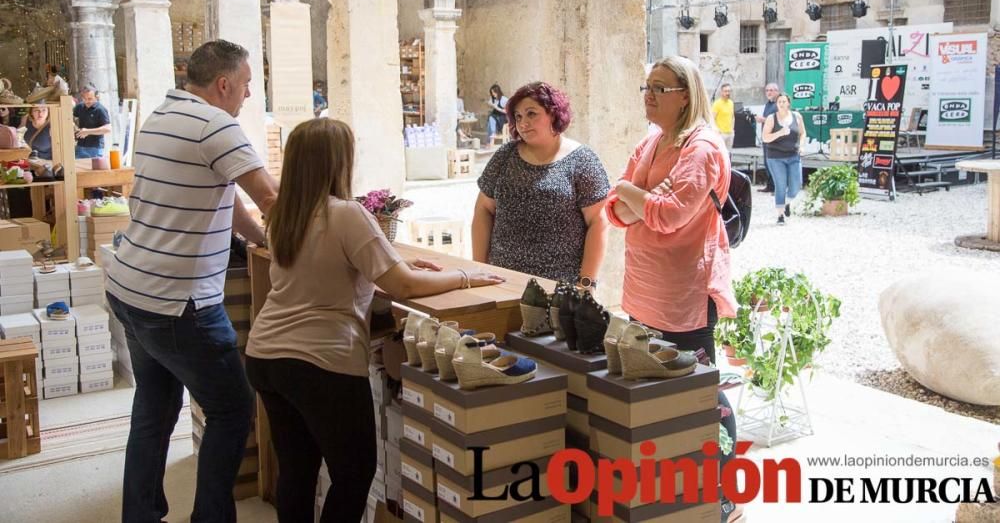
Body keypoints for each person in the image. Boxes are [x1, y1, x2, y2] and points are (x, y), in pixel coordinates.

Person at [246, 118, 503, 523]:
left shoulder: (283, 215)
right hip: (321, 361)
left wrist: (391, 260)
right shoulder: (346, 214)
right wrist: (465, 275)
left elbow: (325, 265)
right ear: (338, 162)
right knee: (354, 472)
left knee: (298, 469)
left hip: (266, 356)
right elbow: (402, 287)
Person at [105, 39, 279, 523]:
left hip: (130, 288)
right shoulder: (216, 126)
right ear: (223, 84)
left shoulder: (162, 115)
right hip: (178, 302)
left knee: (155, 407)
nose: (246, 95)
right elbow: (269, 195)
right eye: (245, 85)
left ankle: (139, 515)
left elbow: (232, 199)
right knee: (232, 407)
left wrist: (260, 238)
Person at [605, 56, 742, 523]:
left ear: (686, 94)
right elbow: (614, 211)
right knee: (661, 392)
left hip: (684, 294)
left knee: (704, 396)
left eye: (659, 88)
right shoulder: (652, 141)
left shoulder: (702, 148)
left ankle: (724, 493)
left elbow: (666, 215)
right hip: (645, 290)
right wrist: (635, 196)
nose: (648, 94)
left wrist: (630, 190)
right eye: (646, 86)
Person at [472, 81, 610, 287]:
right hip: (502, 280)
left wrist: (586, 284)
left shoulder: (582, 159)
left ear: (553, 114)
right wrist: (480, 268)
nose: (523, 123)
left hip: (560, 287)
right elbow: (483, 209)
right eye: (518, 116)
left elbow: (599, 222)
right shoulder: (505, 155)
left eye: (531, 114)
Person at [761, 93, 806, 225]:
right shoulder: (771, 118)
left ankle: (786, 203)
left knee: (796, 186)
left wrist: (802, 146)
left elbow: (803, 133)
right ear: (777, 104)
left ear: (788, 103)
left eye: (783, 101)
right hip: (775, 157)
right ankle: (780, 215)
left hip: (793, 155)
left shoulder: (797, 117)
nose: (781, 104)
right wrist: (780, 132)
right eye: (779, 101)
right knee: (780, 185)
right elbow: (765, 138)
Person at [73, 85, 112, 158]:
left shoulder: (100, 109)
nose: (87, 101)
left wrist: (88, 131)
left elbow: (108, 129)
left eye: (90, 99)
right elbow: (70, 117)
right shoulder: (80, 107)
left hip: (95, 148)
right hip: (80, 146)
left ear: (96, 98)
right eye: (84, 98)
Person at [755, 82, 779, 192]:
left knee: (774, 162)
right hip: (766, 137)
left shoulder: (779, 104)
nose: (769, 93)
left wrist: (763, 120)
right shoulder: (768, 104)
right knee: (767, 161)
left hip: (774, 138)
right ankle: (770, 185)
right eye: (767, 90)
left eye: (771, 90)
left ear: (777, 92)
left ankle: (777, 187)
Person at [711, 82, 735, 150]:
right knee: (721, 153)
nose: (727, 93)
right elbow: (712, 119)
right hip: (721, 134)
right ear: (721, 92)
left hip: (730, 133)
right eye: (725, 91)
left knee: (728, 153)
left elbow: (732, 117)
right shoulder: (717, 104)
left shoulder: (731, 103)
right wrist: (716, 130)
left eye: (729, 91)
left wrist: (732, 129)